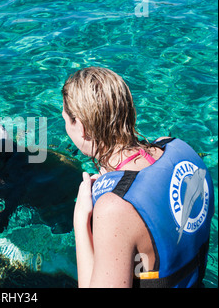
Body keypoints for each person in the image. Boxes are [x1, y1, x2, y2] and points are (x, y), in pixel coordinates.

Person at [61, 67, 214, 288]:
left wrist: (81, 220)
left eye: (66, 119)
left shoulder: (113, 208)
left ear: (82, 128)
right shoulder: (180, 149)